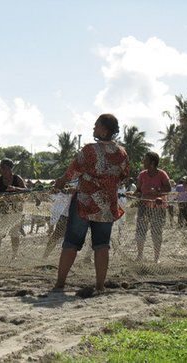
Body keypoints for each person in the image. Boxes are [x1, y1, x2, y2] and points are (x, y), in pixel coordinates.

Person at [54, 114, 129, 292]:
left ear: (104, 129)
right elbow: (124, 176)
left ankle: (60, 284)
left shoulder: (89, 150)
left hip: (84, 204)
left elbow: (73, 171)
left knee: (71, 243)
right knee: (102, 245)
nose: (93, 129)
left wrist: (62, 181)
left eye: (96, 126)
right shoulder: (122, 153)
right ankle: (100, 285)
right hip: (107, 206)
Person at [134, 151, 172, 263]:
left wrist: (158, 191)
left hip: (158, 207)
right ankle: (140, 255)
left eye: (145, 160)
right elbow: (138, 190)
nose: (143, 162)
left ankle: (156, 258)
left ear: (152, 163)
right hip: (143, 206)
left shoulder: (162, 174)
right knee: (140, 231)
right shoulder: (142, 175)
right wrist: (134, 193)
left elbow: (168, 189)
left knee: (156, 232)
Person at [0, 158, 27, 260]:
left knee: (14, 233)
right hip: (2, 210)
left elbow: (26, 190)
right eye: (0, 167)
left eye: (3, 167)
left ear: (9, 168)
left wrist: (15, 189)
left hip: (15, 210)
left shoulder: (17, 179)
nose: (1, 170)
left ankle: (14, 255)